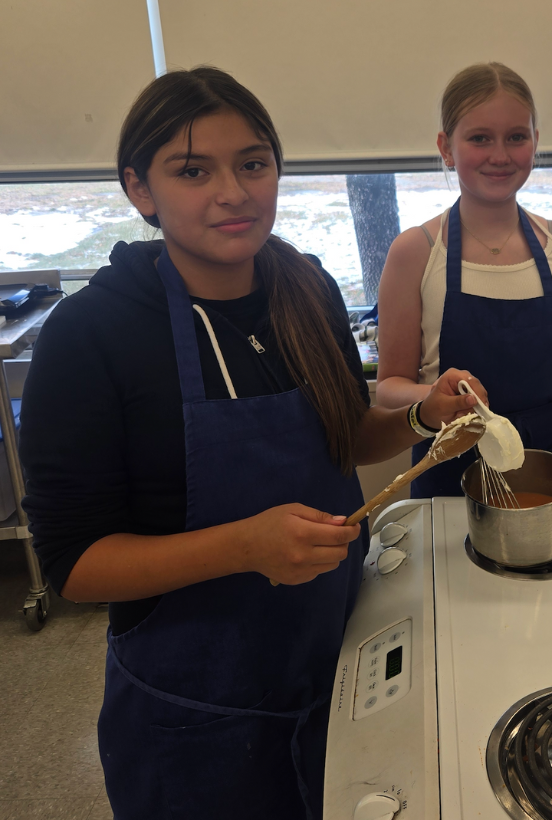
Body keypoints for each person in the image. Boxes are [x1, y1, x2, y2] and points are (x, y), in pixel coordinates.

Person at [19, 67, 480, 819]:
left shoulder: (305, 285)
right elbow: (76, 564)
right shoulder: (92, 336)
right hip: (196, 714)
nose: (233, 192)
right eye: (193, 170)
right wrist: (243, 547)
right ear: (140, 189)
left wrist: (425, 420)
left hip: (337, 659)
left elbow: (342, 436)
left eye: (253, 163)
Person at [375, 62, 552, 497]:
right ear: (446, 147)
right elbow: (389, 389)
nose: (500, 155)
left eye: (516, 137)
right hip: (449, 467)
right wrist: (436, 398)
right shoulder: (414, 252)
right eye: (479, 138)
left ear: (535, 142)